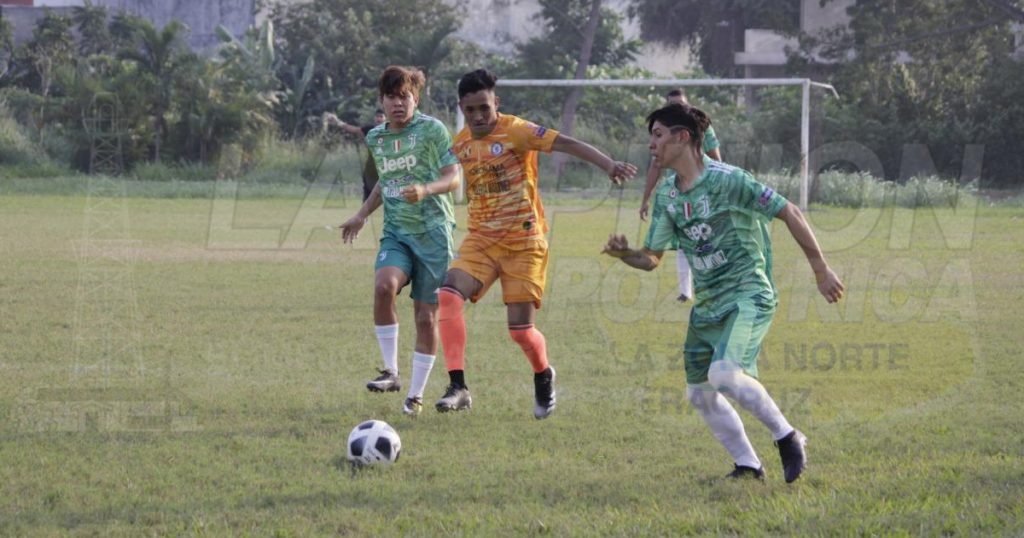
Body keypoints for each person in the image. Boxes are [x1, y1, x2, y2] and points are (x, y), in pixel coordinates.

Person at [602, 103, 844, 482]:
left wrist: (821, 269)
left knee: (725, 374)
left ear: (683, 138)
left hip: (749, 293)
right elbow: (652, 259)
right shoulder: (667, 195)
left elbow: (790, 211)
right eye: (651, 136)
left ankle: (787, 436)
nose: (652, 145)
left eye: (658, 135)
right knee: (699, 393)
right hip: (708, 304)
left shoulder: (731, 180)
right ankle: (748, 464)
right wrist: (624, 255)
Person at [435, 69, 637, 418]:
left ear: (496, 102)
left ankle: (543, 374)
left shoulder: (518, 131)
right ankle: (458, 386)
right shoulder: (460, 143)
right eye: (471, 110)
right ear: (461, 109)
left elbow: (567, 143)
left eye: (485, 107)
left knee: (521, 331)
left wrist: (608, 164)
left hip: (525, 242)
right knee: (448, 295)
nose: (479, 116)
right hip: (481, 239)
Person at [339, 66, 461, 416]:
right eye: (391, 97)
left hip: (433, 233)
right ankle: (391, 372)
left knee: (425, 317)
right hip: (396, 233)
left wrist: (426, 189)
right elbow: (385, 180)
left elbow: (453, 178)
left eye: (404, 96)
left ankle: (416, 394)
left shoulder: (433, 130)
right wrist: (362, 214)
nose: (397, 103)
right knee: (383, 286)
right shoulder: (376, 137)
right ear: (382, 101)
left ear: (415, 98)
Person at [639, 89, 723, 303]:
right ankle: (686, 291)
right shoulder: (664, 131)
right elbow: (655, 166)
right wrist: (646, 198)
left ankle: (714, 284)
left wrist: (717, 187)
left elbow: (716, 159)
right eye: (673, 105)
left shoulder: (701, 127)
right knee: (684, 239)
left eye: (681, 104)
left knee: (708, 237)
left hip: (703, 191)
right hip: (680, 193)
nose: (678, 108)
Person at [326, 109, 387, 201]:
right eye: (377, 116)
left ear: (385, 118)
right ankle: (364, 214)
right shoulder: (370, 130)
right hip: (371, 167)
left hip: (387, 166)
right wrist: (337, 122)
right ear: (374, 118)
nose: (378, 119)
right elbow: (354, 130)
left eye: (381, 116)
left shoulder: (390, 130)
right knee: (367, 193)